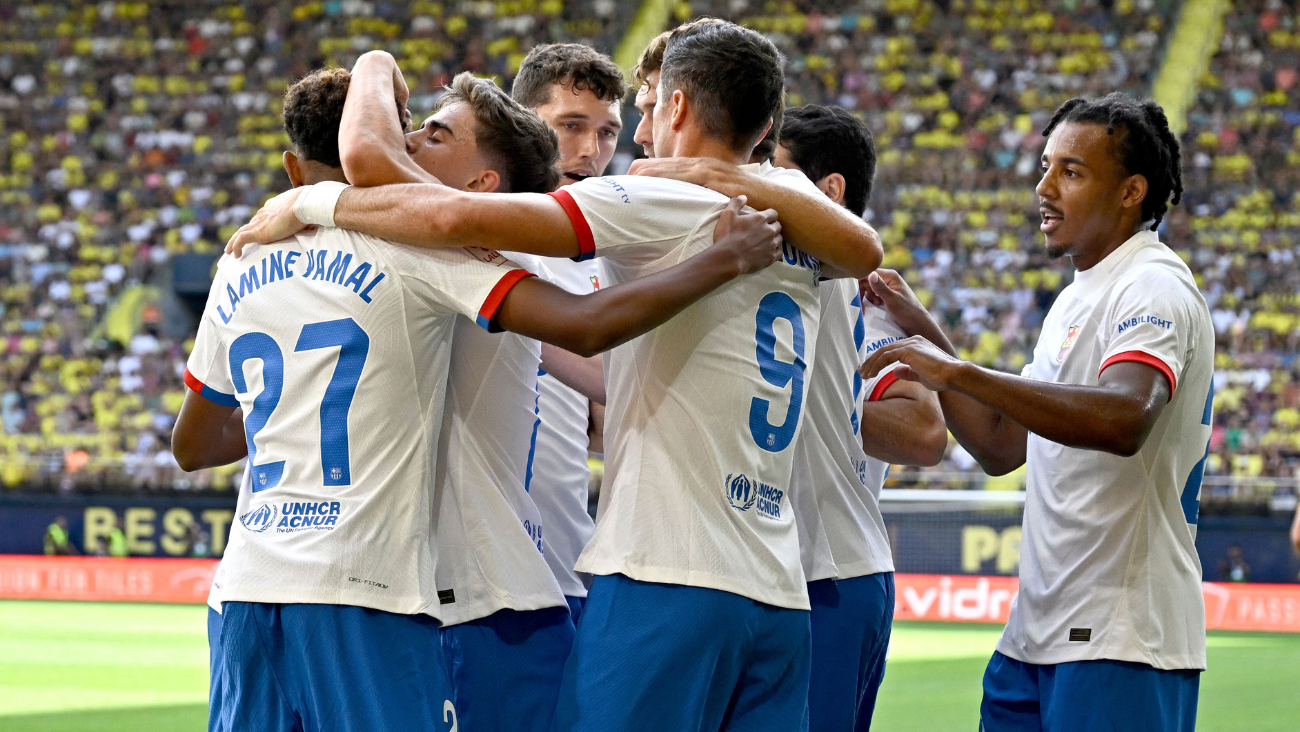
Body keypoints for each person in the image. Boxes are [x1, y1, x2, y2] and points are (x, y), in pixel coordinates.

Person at [225, 21, 884, 732]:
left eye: (637, 113)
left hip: (667, 572)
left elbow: (440, 210)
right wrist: (735, 175)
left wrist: (308, 202)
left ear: (679, 107)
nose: (629, 139)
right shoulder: (797, 214)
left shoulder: (651, 198)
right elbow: (865, 248)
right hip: (778, 592)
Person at [860, 93, 1210, 732]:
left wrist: (959, 371)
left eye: (1071, 172)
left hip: (1120, 636)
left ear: (1133, 190)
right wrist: (929, 336)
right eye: (1045, 167)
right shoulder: (1079, 296)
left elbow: (1125, 419)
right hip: (1037, 635)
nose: (1043, 188)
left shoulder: (1153, 284)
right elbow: (999, 445)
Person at [775, 105, 947, 731]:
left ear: (829, 191)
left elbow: (926, 431)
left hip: (830, 574)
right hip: (779, 571)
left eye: (777, 174)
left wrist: (816, 400)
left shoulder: (865, 298)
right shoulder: (776, 279)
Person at [509, 42, 627, 623]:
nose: (590, 151)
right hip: (483, 583)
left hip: (568, 573)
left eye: (607, 133)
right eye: (571, 126)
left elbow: (603, 426)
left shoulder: (601, 261)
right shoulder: (473, 232)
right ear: (522, 122)